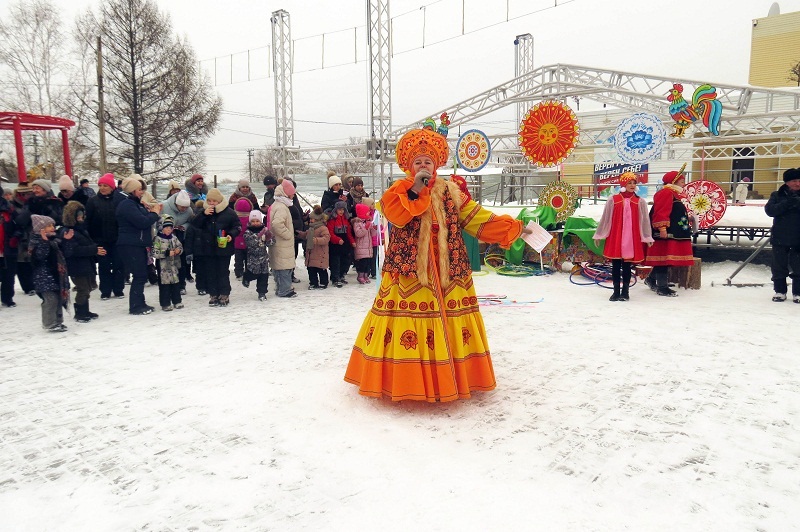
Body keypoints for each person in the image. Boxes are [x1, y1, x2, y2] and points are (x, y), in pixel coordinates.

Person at [343, 122, 529, 402]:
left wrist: (513, 228)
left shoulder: (451, 191)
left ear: (436, 163)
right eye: (417, 161)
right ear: (408, 164)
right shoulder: (398, 191)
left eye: (427, 161)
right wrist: (417, 188)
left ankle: (452, 377)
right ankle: (406, 382)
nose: (423, 165)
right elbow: (397, 215)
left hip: (448, 270)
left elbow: (476, 218)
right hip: (409, 273)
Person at [593, 172, 654, 301]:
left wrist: (647, 236)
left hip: (631, 238)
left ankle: (625, 291)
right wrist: (599, 234)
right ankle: (616, 291)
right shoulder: (613, 200)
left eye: (634, 183)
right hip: (616, 236)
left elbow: (644, 221)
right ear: (623, 184)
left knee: (627, 265)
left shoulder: (639, 201)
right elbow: (606, 218)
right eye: (629, 183)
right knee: (615, 264)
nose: (632, 185)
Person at [643, 169, 696, 297]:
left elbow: (673, 212)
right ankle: (662, 287)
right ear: (673, 181)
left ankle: (651, 279)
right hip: (667, 232)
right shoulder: (666, 193)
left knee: (667, 258)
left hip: (674, 231)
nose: (684, 184)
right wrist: (662, 228)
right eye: (682, 181)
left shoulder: (673, 193)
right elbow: (661, 211)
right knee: (663, 258)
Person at [116, 176, 161, 315]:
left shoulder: (134, 204)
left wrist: (146, 208)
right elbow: (142, 222)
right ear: (133, 190)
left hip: (137, 243)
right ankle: (135, 306)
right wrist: (154, 213)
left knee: (141, 274)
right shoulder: (127, 205)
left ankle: (140, 302)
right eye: (139, 190)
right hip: (130, 244)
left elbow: (142, 217)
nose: (142, 192)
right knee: (140, 275)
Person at [189, 188, 240, 306]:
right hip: (208, 248)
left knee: (223, 272)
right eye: (210, 201)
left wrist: (231, 235)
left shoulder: (229, 212)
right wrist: (203, 214)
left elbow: (237, 226)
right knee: (211, 272)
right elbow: (195, 225)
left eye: (214, 201)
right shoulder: (203, 212)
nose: (212, 203)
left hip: (224, 249)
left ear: (220, 201)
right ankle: (213, 294)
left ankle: (224, 294)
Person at [86, 173, 126, 300]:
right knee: (104, 266)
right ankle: (105, 290)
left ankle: (118, 289)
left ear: (112, 187)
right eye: (100, 185)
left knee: (119, 264)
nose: (102, 188)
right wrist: (92, 240)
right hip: (100, 239)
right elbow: (88, 221)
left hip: (117, 239)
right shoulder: (93, 201)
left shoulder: (120, 199)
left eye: (105, 185)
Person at [60, 201, 101, 322]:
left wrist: (94, 248)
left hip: (85, 264)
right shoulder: (68, 231)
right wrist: (93, 249)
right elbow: (72, 251)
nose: (81, 218)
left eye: (81, 215)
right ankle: (80, 313)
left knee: (87, 288)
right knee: (82, 289)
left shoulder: (81, 229)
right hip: (76, 266)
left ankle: (84, 310)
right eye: (78, 216)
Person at [29, 214, 72, 332]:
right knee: (50, 299)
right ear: (40, 229)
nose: (52, 227)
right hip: (44, 277)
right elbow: (39, 256)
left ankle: (58, 321)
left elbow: (66, 254)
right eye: (48, 226)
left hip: (56, 275)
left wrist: (66, 241)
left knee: (57, 298)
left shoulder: (54, 240)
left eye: (53, 225)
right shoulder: (36, 241)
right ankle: (49, 323)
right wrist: (44, 242)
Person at [765, 168, 800, 303]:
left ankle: (798, 292)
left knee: (798, 266)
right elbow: (770, 211)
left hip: (798, 238)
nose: (798, 184)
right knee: (779, 266)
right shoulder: (777, 195)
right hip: (780, 237)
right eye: (794, 181)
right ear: (787, 182)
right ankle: (780, 291)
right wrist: (787, 203)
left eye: (799, 181)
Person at [268, 179, 299, 298]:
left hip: (281, 244)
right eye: (292, 193)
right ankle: (284, 290)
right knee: (284, 268)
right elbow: (277, 224)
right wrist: (288, 235)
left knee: (281, 267)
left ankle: (281, 288)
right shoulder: (281, 207)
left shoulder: (279, 205)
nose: (293, 196)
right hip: (282, 244)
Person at [161, 189, 194, 294]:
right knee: (167, 263)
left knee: (181, 263)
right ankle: (167, 286)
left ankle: (181, 285)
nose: (184, 209)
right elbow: (155, 222)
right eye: (182, 207)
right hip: (165, 239)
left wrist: (183, 227)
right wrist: (166, 229)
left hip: (180, 239)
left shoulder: (189, 211)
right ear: (176, 203)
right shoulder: (164, 206)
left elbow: (191, 223)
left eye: (186, 207)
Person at [152, 214, 184, 311]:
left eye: (171, 228)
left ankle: (177, 301)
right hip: (163, 266)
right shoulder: (158, 239)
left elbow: (180, 246)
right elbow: (154, 252)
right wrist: (166, 253)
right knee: (165, 285)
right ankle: (165, 303)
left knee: (175, 283)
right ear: (161, 228)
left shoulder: (174, 238)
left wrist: (178, 250)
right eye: (166, 228)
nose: (169, 230)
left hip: (174, 265)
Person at [242, 210, 273, 301]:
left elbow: (270, 243)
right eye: (253, 221)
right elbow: (250, 243)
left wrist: (268, 238)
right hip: (252, 259)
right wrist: (259, 236)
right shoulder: (248, 232)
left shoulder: (264, 230)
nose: (255, 223)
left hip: (263, 258)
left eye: (257, 221)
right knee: (254, 274)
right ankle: (247, 277)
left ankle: (262, 293)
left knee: (263, 276)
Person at [326, 200, 354, 288]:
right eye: (339, 210)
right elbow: (330, 233)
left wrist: (352, 241)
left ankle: (341, 275)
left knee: (345, 261)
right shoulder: (332, 220)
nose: (341, 211)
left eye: (343, 209)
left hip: (345, 243)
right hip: (335, 245)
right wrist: (337, 239)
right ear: (336, 210)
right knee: (335, 262)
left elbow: (349, 233)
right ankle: (335, 278)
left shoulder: (346, 220)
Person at [0, 187, 20, 307]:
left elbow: (18, 226)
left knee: (8, 275)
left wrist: (15, 237)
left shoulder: (9, 209)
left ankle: (7, 298)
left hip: (7, 246)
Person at [304, 205, 330, 289]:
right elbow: (307, 235)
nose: (310, 221)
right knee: (311, 269)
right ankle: (313, 282)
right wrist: (300, 234)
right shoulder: (311, 228)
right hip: (311, 252)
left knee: (321, 268)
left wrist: (316, 240)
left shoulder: (323, 228)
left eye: (312, 219)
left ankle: (324, 282)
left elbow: (326, 238)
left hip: (320, 253)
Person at [351, 203, 374, 284]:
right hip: (361, 247)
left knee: (368, 263)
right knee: (362, 263)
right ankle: (360, 276)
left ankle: (365, 275)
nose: (369, 214)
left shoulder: (367, 222)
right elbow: (358, 234)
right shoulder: (357, 223)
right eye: (367, 213)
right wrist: (365, 228)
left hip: (368, 247)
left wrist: (374, 228)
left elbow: (373, 234)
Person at [232, 197, 253, 280]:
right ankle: (248, 272)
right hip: (248, 242)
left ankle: (239, 273)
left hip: (237, 242)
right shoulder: (251, 218)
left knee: (238, 260)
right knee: (249, 259)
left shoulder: (234, 218)